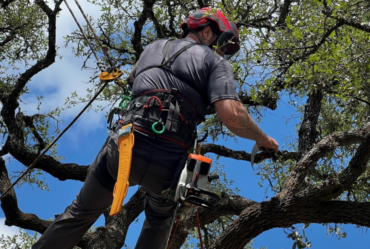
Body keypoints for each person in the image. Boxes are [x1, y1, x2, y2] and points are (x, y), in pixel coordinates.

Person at [32, 7, 278, 249]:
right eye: (223, 44)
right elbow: (231, 114)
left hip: (125, 147)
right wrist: (263, 138)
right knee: (159, 220)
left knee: (80, 212)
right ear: (206, 33)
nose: (223, 52)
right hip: (168, 162)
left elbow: (133, 78)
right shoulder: (214, 61)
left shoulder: (153, 47)